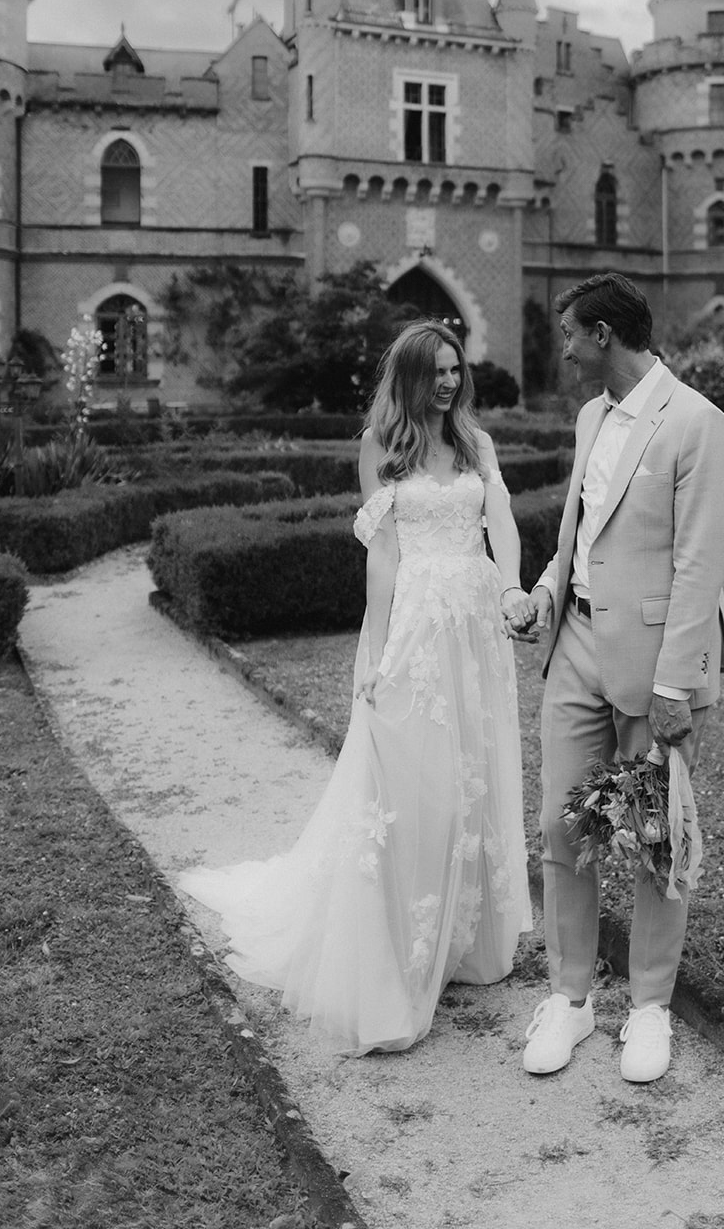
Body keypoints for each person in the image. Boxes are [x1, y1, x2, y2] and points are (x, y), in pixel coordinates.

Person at [179, 320, 533, 1055]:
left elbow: (499, 518)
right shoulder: (381, 449)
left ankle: (468, 942)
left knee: (475, 777)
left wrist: (512, 590)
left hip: (476, 630)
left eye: (454, 368)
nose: (448, 381)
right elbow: (385, 556)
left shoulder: (475, 441)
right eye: (434, 371)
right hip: (419, 633)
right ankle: (397, 964)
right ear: (407, 377)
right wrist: (372, 649)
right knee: (414, 790)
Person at [517, 272, 724, 1084]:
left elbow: (698, 562)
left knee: (653, 835)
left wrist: (676, 684)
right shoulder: (588, 417)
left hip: (653, 666)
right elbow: (579, 530)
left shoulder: (697, 423)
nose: (565, 347)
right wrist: (543, 593)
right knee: (558, 825)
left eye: (571, 333)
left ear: (603, 334)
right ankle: (569, 1000)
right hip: (571, 644)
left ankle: (648, 1010)